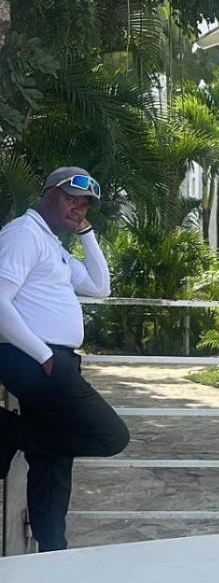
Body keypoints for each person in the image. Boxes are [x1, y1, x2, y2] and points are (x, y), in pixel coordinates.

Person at [0, 167, 129, 551]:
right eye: (71, 199)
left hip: (50, 360)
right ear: (49, 194)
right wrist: (43, 356)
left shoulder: (51, 244)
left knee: (53, 460)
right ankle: (9, 432)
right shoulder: (24, 234)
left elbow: (99, 287)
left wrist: (86, 233)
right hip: (34, 359)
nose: (78, 208)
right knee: (110, 436)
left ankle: (51, 547)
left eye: (84, 204)